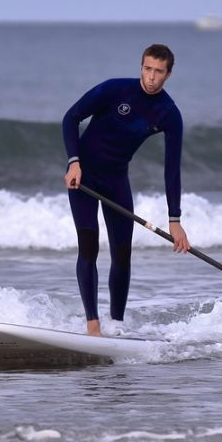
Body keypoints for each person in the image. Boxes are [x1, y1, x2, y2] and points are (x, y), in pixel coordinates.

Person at [62, 44, 190, 336]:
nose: (151, 77)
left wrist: (175, 221)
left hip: (116, 180)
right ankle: (92, 325)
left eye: (158, 72)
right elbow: (71, 118)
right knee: (89, 248)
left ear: (168, 74)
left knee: (122, 255)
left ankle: (116, 327)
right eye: (147, 69)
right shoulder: (114, 89)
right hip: (83, 177)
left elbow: (172, 169)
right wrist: (74, 162)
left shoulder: (168, 113)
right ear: (141, 67)